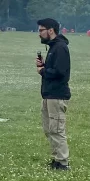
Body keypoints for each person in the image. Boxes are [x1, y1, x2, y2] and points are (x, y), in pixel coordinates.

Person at [36, 18, 71, 171]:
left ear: (51, 30)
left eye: (41, 30)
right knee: (49, 128)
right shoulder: (53, 47)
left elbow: (60, 73)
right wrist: (44, 66)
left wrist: (43, 71)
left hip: (56, 95)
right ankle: (56, 159)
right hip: (48, 95)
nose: (39, 34)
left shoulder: (60, 48)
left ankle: (63, 163)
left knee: (57, 129)